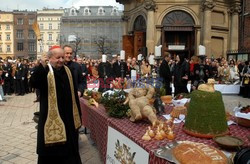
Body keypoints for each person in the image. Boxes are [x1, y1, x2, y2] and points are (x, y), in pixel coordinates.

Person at [30, 46, 82, 164]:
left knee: (70, 154)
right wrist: (41, 65)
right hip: (51, 118)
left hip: (68, 120)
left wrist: (78, 115)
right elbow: (33, 82)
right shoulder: (45, 71)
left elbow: (74, 95)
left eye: (62, 57)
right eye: (58, 57)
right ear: (50, 58)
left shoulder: (68, 71)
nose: (61, 60)